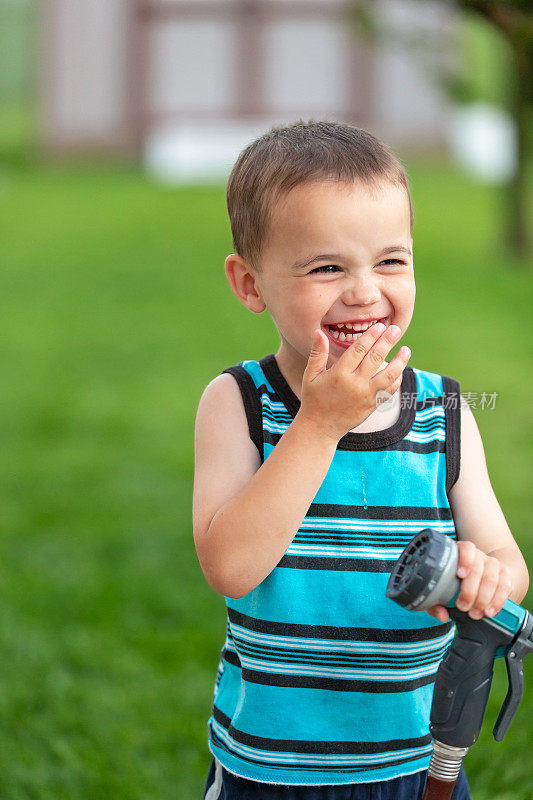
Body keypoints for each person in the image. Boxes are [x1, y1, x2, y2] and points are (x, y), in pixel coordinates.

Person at [192, 120, 529, 800]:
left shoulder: (443, 412)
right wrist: (316, 425)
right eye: (325, 267)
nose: (363, 291)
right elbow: (229, 567)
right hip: (273, 765)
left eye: (390, 261)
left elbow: (505, 558)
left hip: (414, 758)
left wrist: (486, 577)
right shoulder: (239, 402)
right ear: (249, 282)